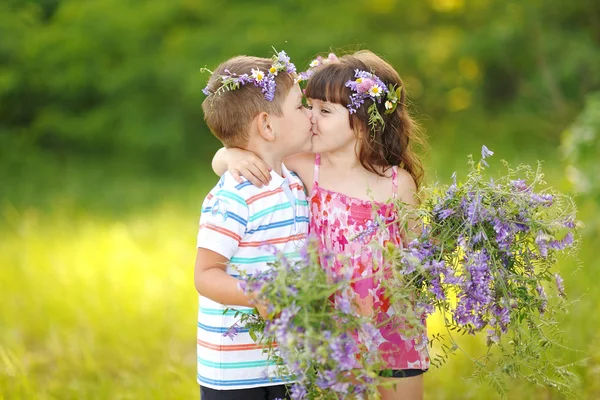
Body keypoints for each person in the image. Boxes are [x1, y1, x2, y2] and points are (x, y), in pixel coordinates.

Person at [212, 50, 430, 400]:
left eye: (324, 111)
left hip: (392, 323)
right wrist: (230, 155)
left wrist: (403, 292)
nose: (311, 117)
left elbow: (421, 257)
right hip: (332, 324)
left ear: (361, 123)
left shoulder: (396, 183)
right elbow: (233, 157)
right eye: (308, 106)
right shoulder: (304, 167)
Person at [194, 51, 313, 400]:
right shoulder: (234, 196)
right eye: (301, 107)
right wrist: (258, 294)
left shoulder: (292, 181)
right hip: (235, 372)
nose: (309, 115)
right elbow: (205, 274)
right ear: (267, 125)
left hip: (286, 361)